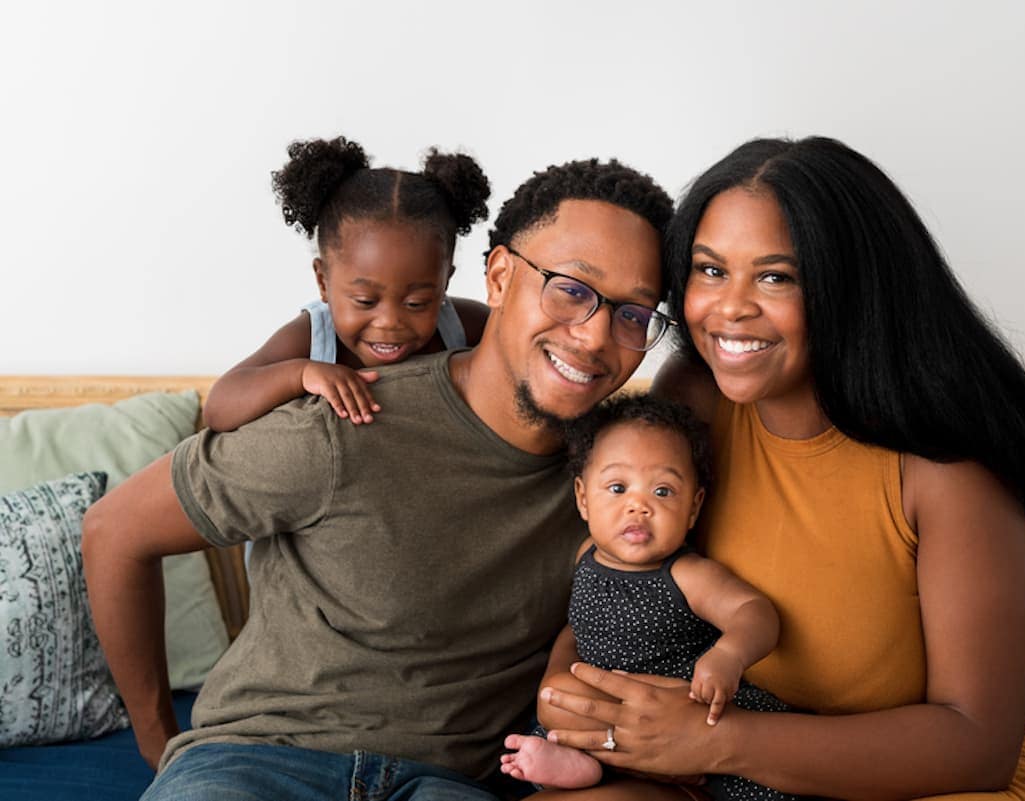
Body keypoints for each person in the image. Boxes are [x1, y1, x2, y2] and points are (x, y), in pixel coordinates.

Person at [81, 156, 675, 801]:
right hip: (258, 762)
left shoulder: (624, 480)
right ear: (500, 276)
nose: (592, 337)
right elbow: (114, 530)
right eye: (570, 288)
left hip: (450, 782)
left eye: (633, 314)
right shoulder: (342, 421)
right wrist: (156, 739)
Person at [535, 137, 1025, 801]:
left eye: (776, 276)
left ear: (851, 286)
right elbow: (624, 569)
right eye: (711, 271)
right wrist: (568, 683)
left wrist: (720, 737)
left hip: (928, 781)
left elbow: (975, 745)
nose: (731, 308)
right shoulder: (696, 397)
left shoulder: (947, 470)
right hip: (734, 769)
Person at [500, 394, 792, 800]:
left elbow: (755, 612)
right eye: (618, 488)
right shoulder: (587, 555)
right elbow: (578, 624)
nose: (638, 506)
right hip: (607, 710)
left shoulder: (687, 575)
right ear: (583, 498)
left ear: (694, 507)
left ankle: (655, 771)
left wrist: (729, 655)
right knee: (559, 704)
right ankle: (589, 766)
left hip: (676, 712)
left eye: (663, 491)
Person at [202, 136, 491, 432]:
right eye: (366, 301)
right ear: (322, 282)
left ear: (444, 283)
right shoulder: (313, 339)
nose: (390, 322)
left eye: (416, 303)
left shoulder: (463, 327)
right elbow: (218, 408)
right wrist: (301, 374)